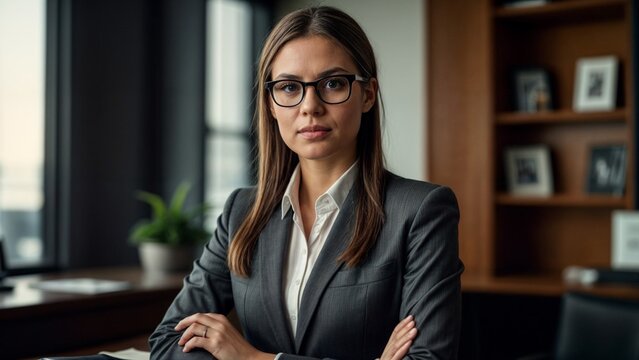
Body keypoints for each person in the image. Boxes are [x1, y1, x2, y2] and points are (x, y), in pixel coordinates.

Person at [149, 6, 463, 360]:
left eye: (332, 83)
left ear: (368, 95)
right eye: (288, 87)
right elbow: (167, 341)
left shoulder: (422, 211)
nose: (309, 106)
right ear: (271, 104)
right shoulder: (241, 211)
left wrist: (254, 359)